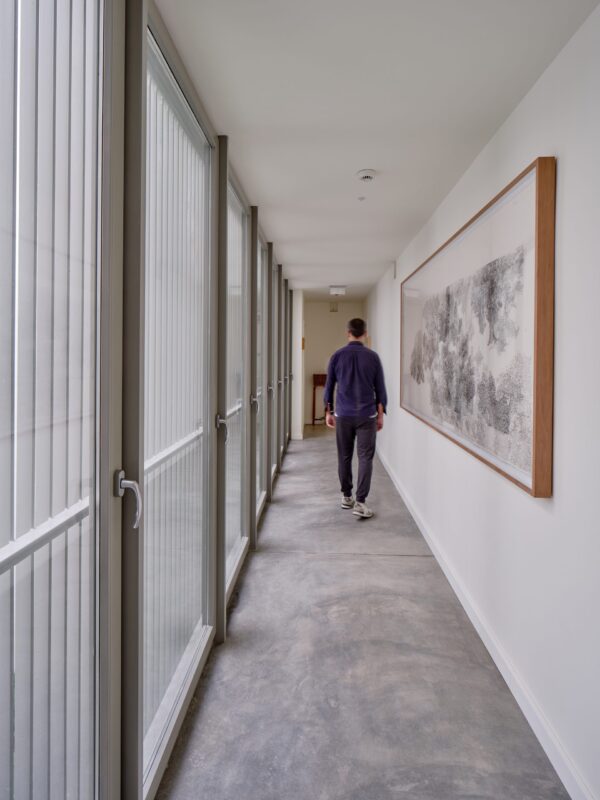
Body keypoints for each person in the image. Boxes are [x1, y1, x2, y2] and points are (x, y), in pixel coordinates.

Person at [323, 318, 387, 519]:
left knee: (344, 456)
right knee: (365, 457)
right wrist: (381, 413)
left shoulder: (337, 356)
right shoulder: (373, 357)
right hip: (367, 415)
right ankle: (360, 502)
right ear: (365, 333)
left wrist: (329, 411)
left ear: (348, 332)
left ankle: (346, 496)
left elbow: (329, 386)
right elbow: (380, 387)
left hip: (343, 414)